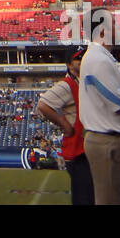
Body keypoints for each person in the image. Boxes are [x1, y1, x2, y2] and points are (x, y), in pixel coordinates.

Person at [78, 8, 120, 205]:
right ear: (102, 32)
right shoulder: (98, 60)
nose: (118, 27)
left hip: (108, 142)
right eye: (113, 24)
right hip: (109, 144)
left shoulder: (99, 58)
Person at [36, 49, 93, 205]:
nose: (82, 61)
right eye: (77, 59)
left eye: (84, 58)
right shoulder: (67, 85)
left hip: (87, 149)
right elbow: (43, 105)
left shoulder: (83, 81)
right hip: (78, 152)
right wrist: (64, 124)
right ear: (69, 64)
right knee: (85, 198)